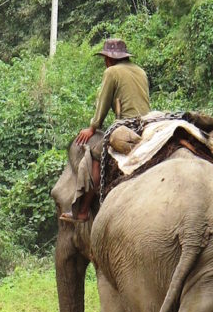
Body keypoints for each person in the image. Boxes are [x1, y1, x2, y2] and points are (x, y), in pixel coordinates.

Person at [60, 38, 152, 223]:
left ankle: (83, 210)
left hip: (127, 127)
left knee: (95, 154)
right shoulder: (140, 71)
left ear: (109, 59)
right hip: (148, 124)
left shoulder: (111, 72)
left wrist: (93, 127)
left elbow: (102, 104)